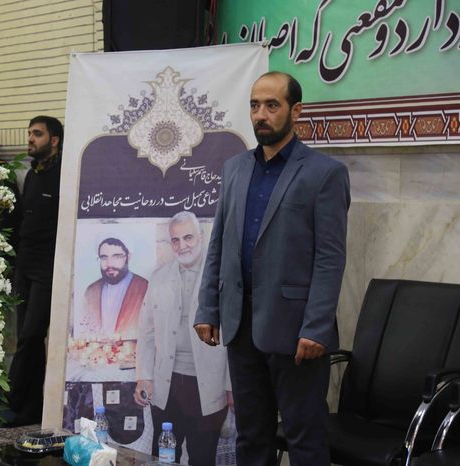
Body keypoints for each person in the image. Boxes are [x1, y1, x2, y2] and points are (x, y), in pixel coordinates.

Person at [195, 71, 350, 466]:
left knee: (304, 439)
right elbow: (219, 244)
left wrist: (316, 327)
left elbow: (330, 258)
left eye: (271, 105)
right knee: (251, 436)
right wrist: (208, 307)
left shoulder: (324, 173)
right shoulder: (234, 169)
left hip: (296, 331)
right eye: (254, 105)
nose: (260, 115)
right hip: (240, 324)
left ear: (296, 111)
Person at [135, 211, 231, 465]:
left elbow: (235, 336)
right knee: (163, 457)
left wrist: (231, 387)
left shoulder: (223, 277)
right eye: (175, 240)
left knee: (202, 458)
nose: (182, 245)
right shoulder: (159, 277)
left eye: (188, 237)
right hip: (166, 386)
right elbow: (146, 331)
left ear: (201, 237)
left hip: (208, 386)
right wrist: (145, 376)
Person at [7, 115, 63, 426]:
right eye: (29, 133)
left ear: (54, 140)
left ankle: (11, 400)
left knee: (31, 334)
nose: (30, 138)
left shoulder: (63, 174)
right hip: (25, 263)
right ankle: (31, 410)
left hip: (49, 264)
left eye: (37, 134)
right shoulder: (31, 174)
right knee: (26, 339)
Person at [78, 237, 148, 340]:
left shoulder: (144, 288)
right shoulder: (91, 291)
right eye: (104, 258)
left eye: (116, 257)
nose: (109, 264)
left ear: (128, 257)